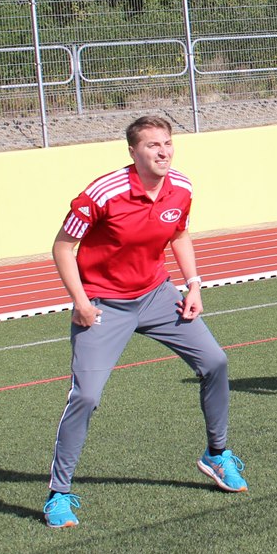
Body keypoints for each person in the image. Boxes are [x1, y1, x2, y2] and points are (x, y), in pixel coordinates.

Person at [43, 115, 247, 528]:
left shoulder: (182, 187)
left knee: (215, 362)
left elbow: (178, 235)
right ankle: (58, 495)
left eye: (167, 143)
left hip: (157, 295)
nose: (163, 151)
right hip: (104, 305)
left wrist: (193, 285)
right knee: (86, 396)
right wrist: (80, 302)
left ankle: (216, 454)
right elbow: (63, 247)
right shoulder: (103, 193)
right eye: (153, 145)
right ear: (133, 152)